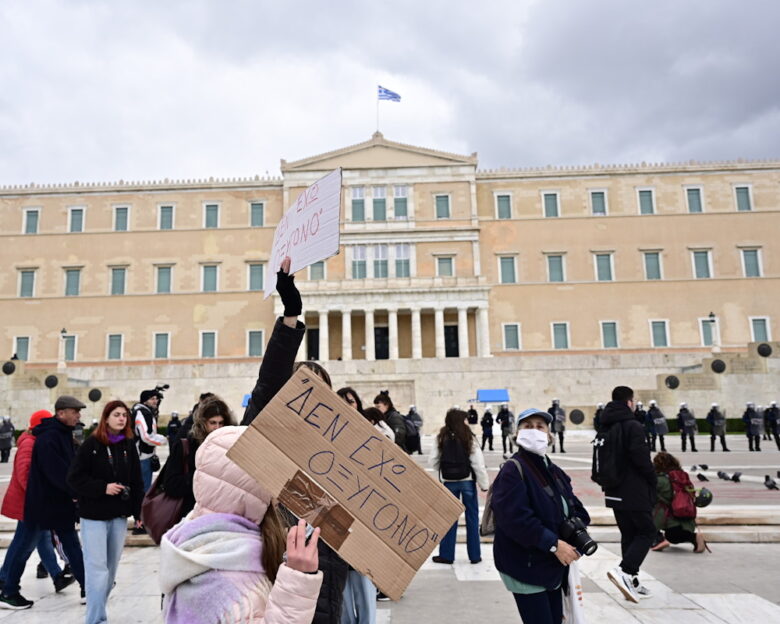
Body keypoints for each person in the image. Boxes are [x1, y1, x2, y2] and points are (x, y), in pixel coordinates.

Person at [240, 257, 347, 624]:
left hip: (328, 567)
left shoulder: (345, 450)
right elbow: (267, 385)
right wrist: (291, 312)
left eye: (321, 392)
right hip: (276, 561)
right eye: (303, 388)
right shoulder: (266, 433)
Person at [159, 426, 323, 623]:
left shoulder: (199, 541)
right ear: (256, 488)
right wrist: (296, 581)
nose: (279, 495)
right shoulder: (224, 581)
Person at [491, 408, 591, 623]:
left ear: (549, 434)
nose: (534, 431)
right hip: (525, 565)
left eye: (540, 426)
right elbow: (515, 519)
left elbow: (576, 508)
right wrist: (554, 544)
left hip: (550, 566)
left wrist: (577, 533)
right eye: (528, 426)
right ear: (517, 434)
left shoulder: (553, 470)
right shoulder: (512, 470)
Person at [1, 396, 87, 609]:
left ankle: (89, 585)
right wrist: (75, 490)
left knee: (70, 544)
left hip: (54, 503)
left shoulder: (60, 435)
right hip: (42, 504)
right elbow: (53, 472)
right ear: (61, 413)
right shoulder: (48, 438)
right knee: (23, 547)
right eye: (74, 411)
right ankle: (8, 590)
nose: (78, 415)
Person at [67, 400, 144, 624]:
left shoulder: (128, 445)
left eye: (124, 415)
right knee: (96, 569)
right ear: (106, 418)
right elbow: (74, 478)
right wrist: (103, 487)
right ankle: (95, 620)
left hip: (118, 516)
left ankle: (98, 613)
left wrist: (139, 513)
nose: (121, 419)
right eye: (116, 414)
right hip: (94, 516)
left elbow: (137, 481)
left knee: (109, 573)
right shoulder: (92, 444)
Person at [600, 386, 657, 604]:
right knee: (647, 531)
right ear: (629, 402)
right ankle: (625, 570)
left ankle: (631, 581)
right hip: (633, 489)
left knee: (629, 533)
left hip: (613, 488)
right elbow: (641, 459)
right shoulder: (632, 426)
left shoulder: (605, 426)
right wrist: (652, 479)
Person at [430, 409, 489, 565]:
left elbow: (433, 461)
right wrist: (484, 484)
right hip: (467, 480)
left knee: (449, 519)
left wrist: (444, 470)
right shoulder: (468, 437)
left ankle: (447, 555)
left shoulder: (441, 437)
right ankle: (475, 555)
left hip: (449, 482)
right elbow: (478, 463)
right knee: (472, 518)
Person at [163, 396, 235, 518]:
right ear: (203, 423)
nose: (217, 428)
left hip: (222, 514)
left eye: (221, 423)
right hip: (192, 514)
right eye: (212, 423)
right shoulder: (187, 444)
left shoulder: (230, 444)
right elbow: (171, 484)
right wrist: (203, 477)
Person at [650, 452, 709, 553]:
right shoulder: (682, 476)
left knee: (648, 509)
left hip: (669, 518)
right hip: (687, 516)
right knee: (673, 536)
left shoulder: (660, 480)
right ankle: (694, 538)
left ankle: (658, 539)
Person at [133, 388, 168, 493]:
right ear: (145, 401)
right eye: (152, 399)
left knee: (142, 487)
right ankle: (142, 509)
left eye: (156, 399)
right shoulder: (143, 413)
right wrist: (163, 440)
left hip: (143, 456)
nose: (155, 401)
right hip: (143, 457)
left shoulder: (144, 412)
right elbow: (146, 436)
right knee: (144, 490)